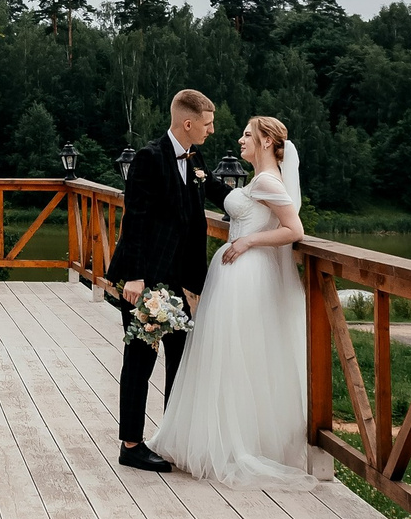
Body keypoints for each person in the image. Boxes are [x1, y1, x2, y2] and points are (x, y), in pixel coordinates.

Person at [148, 114, 314, 489]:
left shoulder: (269, 181)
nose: (240, 140)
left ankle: (233, 444)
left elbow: (294, 229)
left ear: (267, 142)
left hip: (248, 274)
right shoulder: (259, 180)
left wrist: (247, 241)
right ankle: (216, 438)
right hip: (233, 275)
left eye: (247, 135)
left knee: (236, 356)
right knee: (225, 356)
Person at [104, 89, 217, 470]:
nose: (211, 130)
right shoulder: (149, 158)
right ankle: (131, 445)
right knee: (140, 358)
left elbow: (217, 191)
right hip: (146, 278)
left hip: (178, 279)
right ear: (188, 123)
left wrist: (265, 196)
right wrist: (134, 278)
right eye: (207, 123)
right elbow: (134, 217)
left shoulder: (195, 156)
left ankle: (171, 436)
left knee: (181, 359)